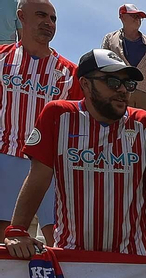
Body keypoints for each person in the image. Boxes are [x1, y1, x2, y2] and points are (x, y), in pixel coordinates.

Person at [6, 48, 146, 263]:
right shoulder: (57, 115)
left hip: (134, 260)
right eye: (113, 82)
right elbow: (38, 178)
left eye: (128, 84)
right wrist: (18, 230)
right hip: (72, 257)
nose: (123, 90)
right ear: (86, 84)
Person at [0, 0, 77, 238]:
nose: (48, 23)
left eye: (53, 19)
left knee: (60, 239)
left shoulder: (70, 73)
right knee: (4, 240)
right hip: (5, 156)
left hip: (50, 165)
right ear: (21, 16)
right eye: (42, 15)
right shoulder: (2, 59)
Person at [101, 5, 146, 114]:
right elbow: (103, 65)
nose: (138, 19)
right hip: (119, 92)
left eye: (139, 17)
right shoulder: (110, 39)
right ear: (122, 17)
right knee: (116, 126)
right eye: (134, 16)